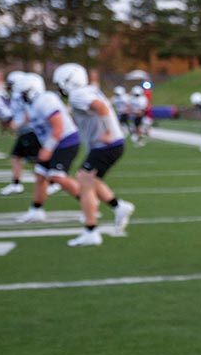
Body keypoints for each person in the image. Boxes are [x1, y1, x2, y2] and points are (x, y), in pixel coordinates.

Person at [53, 63, 136, 247]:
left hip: (107, 145)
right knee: (90, 179)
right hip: (110, 144)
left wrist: (107, 132)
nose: (59, 88)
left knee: (84, 182)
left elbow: (101, 108)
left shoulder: (78, 94)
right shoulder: (86, 91)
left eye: (60, 84)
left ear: (69, 81)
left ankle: (91, 231)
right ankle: (119, 206)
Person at [13, 73, 81, 223]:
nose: (22, 96)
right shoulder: (33, 104)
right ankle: (36, 210)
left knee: (57, 177)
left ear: (33, 90)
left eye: (24, 93)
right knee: (40, 174)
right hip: (55, 142)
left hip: (65, 141)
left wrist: (48, 149)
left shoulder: (45, 100)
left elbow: (58, 126)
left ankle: (87, 200)